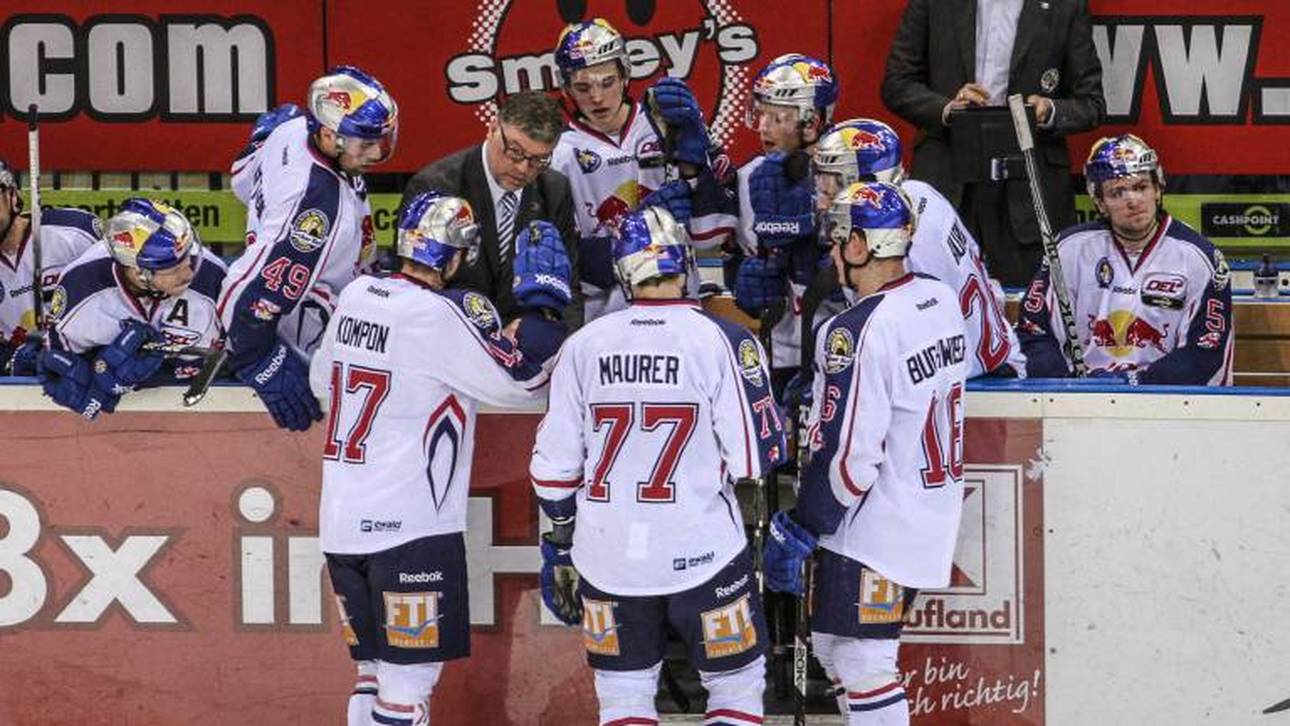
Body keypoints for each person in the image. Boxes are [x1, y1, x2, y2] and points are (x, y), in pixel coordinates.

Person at [308, 190, 570, 726]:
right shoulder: (435, 315)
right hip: (410, 526)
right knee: (407, 688)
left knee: (373, 674)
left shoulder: (356, 296)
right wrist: (543, 309)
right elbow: (523, 385)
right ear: (456, 256)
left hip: (341, 523)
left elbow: (321, 381)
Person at [529, 206, 784, 726]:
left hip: (607, 555)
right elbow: (755, 458)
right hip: (702, 548)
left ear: (624, 273)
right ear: (684, 263)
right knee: (736, 686)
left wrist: (559, 543)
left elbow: (554, 469)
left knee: (624, 698)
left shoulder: (583, 345)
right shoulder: (723, 340)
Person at [762, 181, 969, 725]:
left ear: (859, 246)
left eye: (837, 240)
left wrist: (802, 526)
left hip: (873, 526)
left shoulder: (854, 330)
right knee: (835, 646)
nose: (832, 253)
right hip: (927, 511)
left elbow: (848, 458)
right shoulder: (939, 299)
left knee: (862, 659)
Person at [218, 65, 398, 432]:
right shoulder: (316, 207)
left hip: (331, 281)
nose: (376, 151)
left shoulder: (292, 127)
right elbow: (243, 291)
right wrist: (257, 357)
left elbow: (241, 179)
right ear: (330, 137)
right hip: (305, 332)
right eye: (366, 144)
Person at [881, 0, 1104, 286]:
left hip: (1028, 187)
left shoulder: (1066, 6)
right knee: (934, 302)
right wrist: (948, 109)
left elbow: (1091, 104)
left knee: (1027, 314)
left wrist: (1049, 110)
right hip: (948, 177)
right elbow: (897, 84)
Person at [549, 17, 737, 321]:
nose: (596, 97)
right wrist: (642, 232)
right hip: (605, 319)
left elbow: (716, 234)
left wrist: (695, 176)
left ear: (625, 73)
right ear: (566, 87)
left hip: (681, 302)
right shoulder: (558, 153)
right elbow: (564, 259)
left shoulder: (666, 123)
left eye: (607, 82)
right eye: (582, 87)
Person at [812, 117, 1027, 378]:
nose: (823, 203)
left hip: (974, 376)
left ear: (865, 185)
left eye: (831, 189)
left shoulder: (898, 242)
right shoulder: (919, 193)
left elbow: (924, 349)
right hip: (983, 356)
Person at [1017, 134, 1234, 384]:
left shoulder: (1200, 258)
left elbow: (1204, 353)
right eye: (1117, 192)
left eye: (1141, 187)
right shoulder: (1068, 250)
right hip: (1080, 400)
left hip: (1166, 402)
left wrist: (1132, 384)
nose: (1133, 200)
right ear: (1099, 202)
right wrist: (1065, 381)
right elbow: (1034, 333)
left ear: (1158, 188)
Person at [398, 91, 580, 324]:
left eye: (539, 160)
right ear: (493, 128)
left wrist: (555, 344)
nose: (524, 169)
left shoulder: (555, 190)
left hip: (522, 348)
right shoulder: (437, 186)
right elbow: (411, 287)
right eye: (515, 151)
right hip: (449, 336)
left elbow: (568, 287)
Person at [38, 198, 227, 419]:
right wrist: (95, 368)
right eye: (174, 268)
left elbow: (237, 356)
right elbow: (61, 362)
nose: (189, 273)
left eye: (188, 256)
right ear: (139, 273)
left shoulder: (212, 278)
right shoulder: (81, 289)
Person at [732, 53, 839, 393]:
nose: (763, 127)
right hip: (780, 354)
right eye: (760, 113)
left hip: (845, 349)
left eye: (778, 116)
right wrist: (748, 280)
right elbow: (741, 259)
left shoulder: (850, 176)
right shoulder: (750, 176)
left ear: (813, 121)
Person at [0, 159, 101, 374]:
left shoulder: (74, 232)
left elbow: (122, 294)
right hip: (20, 380)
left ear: (12, 196)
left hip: (89, 369)